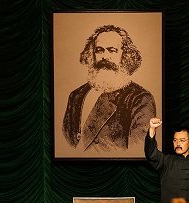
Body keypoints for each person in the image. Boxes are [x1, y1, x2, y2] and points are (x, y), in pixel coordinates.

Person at [62, 24, 156, 153]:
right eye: (99, 50)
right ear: (92, 54)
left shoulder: (140, 98)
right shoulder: (76, 95)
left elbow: (138, 148)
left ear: (125, 55)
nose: (105, 56)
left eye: (112, 50)